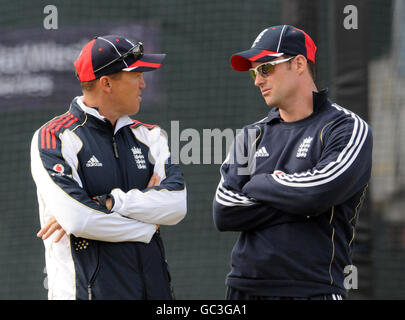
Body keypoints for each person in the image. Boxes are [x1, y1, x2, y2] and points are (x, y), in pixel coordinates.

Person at [213, 25, 372, 300]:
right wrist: (300, 202)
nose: (257, 80)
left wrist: (259, 183)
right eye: (253, 71)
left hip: (314, 289)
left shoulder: (346, 127)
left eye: (265, 68)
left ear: (298, 63)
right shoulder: (251, 135)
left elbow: (316, 192)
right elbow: (225, 210)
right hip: (244, 289)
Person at [30, 35, 187, 300]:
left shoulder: (151, 136)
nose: (143, 83)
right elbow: (80, 219)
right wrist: (149, 226)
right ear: (106, 83)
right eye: (136, 74)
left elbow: (176, 205)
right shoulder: (53, 137)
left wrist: (110, 202)